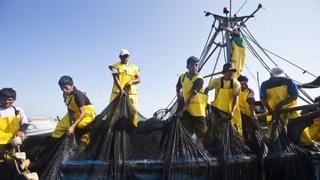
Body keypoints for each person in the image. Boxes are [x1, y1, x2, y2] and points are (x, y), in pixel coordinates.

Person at [260, 67, 314, 147]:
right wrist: (270, 110)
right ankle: (277, 146)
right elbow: (263, 98)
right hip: (274, 111)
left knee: (298, 124)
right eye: (276, 77)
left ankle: (307, 144)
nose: (279, 78)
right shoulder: (265, 84)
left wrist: (280, 104)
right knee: (273, 130)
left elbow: (294, 96)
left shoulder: (288, 82)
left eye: (280, 76)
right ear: (271, 75)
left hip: (290, 109)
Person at [52, 76, 96, 148]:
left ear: (72, 85)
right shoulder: (65, 94)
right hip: (74, 112)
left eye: (66, 88)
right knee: (60, 127)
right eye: (62, 88)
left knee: (80, 126)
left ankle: (83, 146)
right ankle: (56, 145)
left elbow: (83, 113)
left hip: (86, 113)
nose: (64, 90)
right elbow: (69, 107)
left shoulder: (78, 95)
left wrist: (72, 126)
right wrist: (71, 120)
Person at [176, 56, 208, 144]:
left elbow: (192, 96)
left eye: (196, 65)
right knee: (186, 131)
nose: (194, 67)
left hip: (198, 111)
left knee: (202, 132)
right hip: (187, 111)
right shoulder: (182, 77)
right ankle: (187, 151)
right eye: (192, 65)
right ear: (187, 66)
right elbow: (178, 86)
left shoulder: (199, 79)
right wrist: (179, 96)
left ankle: (201, 151)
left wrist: (182, 110)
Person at [205, 62, 242, 135]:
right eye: (229, 71)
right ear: (224, 72)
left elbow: (236, 98)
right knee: (217, 130)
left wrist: (232, 111)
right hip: (218, 111)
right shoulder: (216, 81)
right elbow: (207, 89)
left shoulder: (236, 83)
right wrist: (204, 102)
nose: (231, 73)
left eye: (232, 71)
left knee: (235, 132)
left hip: (230, 112)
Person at [0, 88, 29, 179]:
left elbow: (25, 123)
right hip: (1, 146)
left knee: (18, 168)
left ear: (14, 99)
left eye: (10, 99)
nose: (7, 101)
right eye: (4, 98)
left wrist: (21, 131)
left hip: (15, 144)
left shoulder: (18, 110)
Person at [108, 49, 140, 127]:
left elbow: (139, 79)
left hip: (131, 93)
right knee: (112, 111)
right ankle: (110, 128)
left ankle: (133, 128)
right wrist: (121, 89)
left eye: (127, 56)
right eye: (124, 56)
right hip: (117, 93)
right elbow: (115, 78)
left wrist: (131, 82)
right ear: (120, 57)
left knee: (133, 111)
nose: (126, 57)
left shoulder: (134, 67)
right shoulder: (115, 66)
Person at [237, 75, 258, 143]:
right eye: (241, 84)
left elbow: (251, 103)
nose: (243, 85)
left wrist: (252, 115)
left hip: (250, 113)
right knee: (244, 131)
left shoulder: (250, 91)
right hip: (240, 114)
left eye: (245, 83)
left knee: (255, 129)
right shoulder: (236, 91)